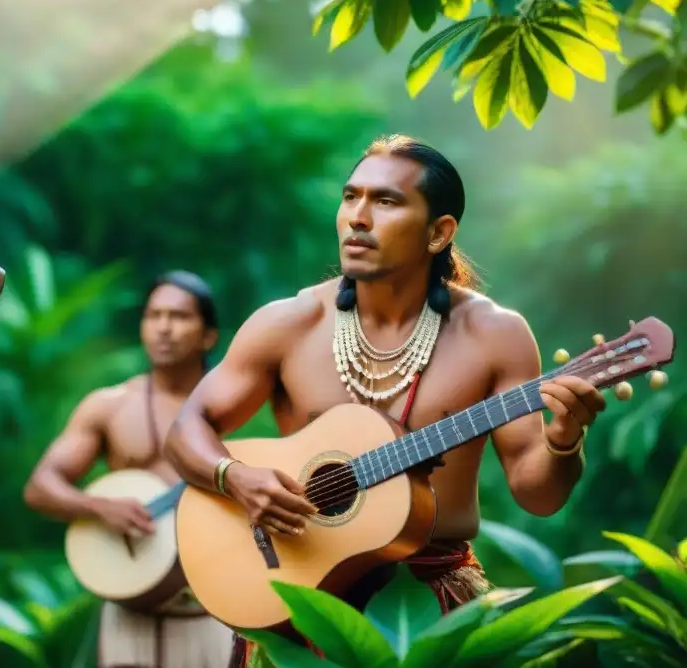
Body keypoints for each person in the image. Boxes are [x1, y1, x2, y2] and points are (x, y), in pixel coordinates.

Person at [162, 134, 607, 667]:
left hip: (432, 596)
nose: (358, 217)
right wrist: (234, 476)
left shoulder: (494, 335)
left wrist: (562, 441)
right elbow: (187, 430)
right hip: (305, 600)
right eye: (351, 197)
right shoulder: (288, 324)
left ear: (439, 232)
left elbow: (538, 496)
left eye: (386, 202)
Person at [24, 271, 236, 668]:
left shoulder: (237, 405)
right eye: (154, 315)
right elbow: (41, 487)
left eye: (179, 316)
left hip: (214, 607)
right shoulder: (110, 405)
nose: (164, 328)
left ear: (209, 335)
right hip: (130, 607)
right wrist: (101, 508)